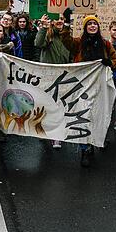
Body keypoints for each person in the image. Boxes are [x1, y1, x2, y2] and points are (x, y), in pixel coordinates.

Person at [67, 15, 116, 167]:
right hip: (82, 85)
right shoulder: (78, 42)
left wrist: (109, 63)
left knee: (96, 115)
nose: (92, 26)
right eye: (89, 24)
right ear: (85, 27)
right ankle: (84, 149)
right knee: (82, 115)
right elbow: (66, 42)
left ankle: (93, 142)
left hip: (99, 86)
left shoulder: (105, 44)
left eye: (94, 24)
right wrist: (64, 25)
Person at [34, 11, 73, 149]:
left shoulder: (67, 37)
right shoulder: (48, 35)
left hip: (64, 76)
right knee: (48, 106)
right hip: (49, 77)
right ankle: (45, 129)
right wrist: (43, 28)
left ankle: (56, 136)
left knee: (60, 106)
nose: (60, 21)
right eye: (57, 19)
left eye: (62, 19)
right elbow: (38, 44)